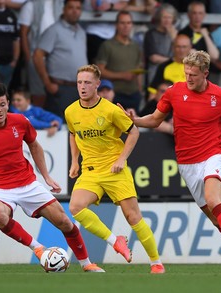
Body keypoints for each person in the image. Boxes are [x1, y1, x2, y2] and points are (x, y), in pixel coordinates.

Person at [120, 50, 221, 270]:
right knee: (217, 220)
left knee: (215, 200)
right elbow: (156, 120)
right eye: (186, 73)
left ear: (206, 73)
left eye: (193, 75)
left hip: (213, 155)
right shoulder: (174, 92)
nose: (188, 78)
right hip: (187, 163)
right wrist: (135, 120)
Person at [0, 83, 104, 273]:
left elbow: (34, 146)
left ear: (8, 103)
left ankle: (87, 264)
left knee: (65, 222)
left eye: (2, 104)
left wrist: (46, 177)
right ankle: (37, 248)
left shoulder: (20, 121)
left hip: (27, 183)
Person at [65, 64, 165, 274]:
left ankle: (156, 262)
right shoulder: (70, 111)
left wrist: (121, 159)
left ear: (97, 85)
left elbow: (134, 132)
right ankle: (115, 241)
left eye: (87, 83)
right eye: (79, 82)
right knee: (75, 207)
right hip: (90, 171)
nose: (82, 87)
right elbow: (73, 134)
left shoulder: (110, 109)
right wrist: (74, 161)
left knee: (133, 217)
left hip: (114, 170)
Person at [33, 0, 87, 120]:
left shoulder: (82, 32)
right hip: (60, 88)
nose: (74, 11)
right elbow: (37, 55)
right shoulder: (54, 30)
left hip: (79, 89)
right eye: (71, 8)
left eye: (78, 8)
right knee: (58, 127)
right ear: (64, 10)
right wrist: (47, 83)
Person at [95, 10, 143, 113]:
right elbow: (100, 71)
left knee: (133, 126)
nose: (126, 26)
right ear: (116, 25)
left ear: (132, 25)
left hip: (134, 95)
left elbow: (139, 71)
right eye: (122, 23)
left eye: (128, 23)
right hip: (115, 95)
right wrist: (123, 75)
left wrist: (140, 91)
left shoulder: (136, 46)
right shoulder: (107, 45)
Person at [18, 0, 64, 107]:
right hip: (37, 57)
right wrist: (28, 57)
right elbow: (23, 33)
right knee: (38, 94)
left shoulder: (60, 4)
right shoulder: (31, 5)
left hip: (56, 58)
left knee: (57, 93)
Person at [143, 3, 177, 86]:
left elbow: (182, 52)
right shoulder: (150, 34)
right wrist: (173, 60)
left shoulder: (176, 35)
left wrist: (174, 38)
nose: (167, 20)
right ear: (159, 18)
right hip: (155, 74)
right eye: (164, 17)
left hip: (173, 74)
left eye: (169, 17)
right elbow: (154, 58)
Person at [147, 34, 192, 99]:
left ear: (190, 48)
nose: (181, 50)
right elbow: (153, 93)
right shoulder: (163, 67)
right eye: (178, 47)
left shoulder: (197, 67)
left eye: (184, 47)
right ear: (173, 48)